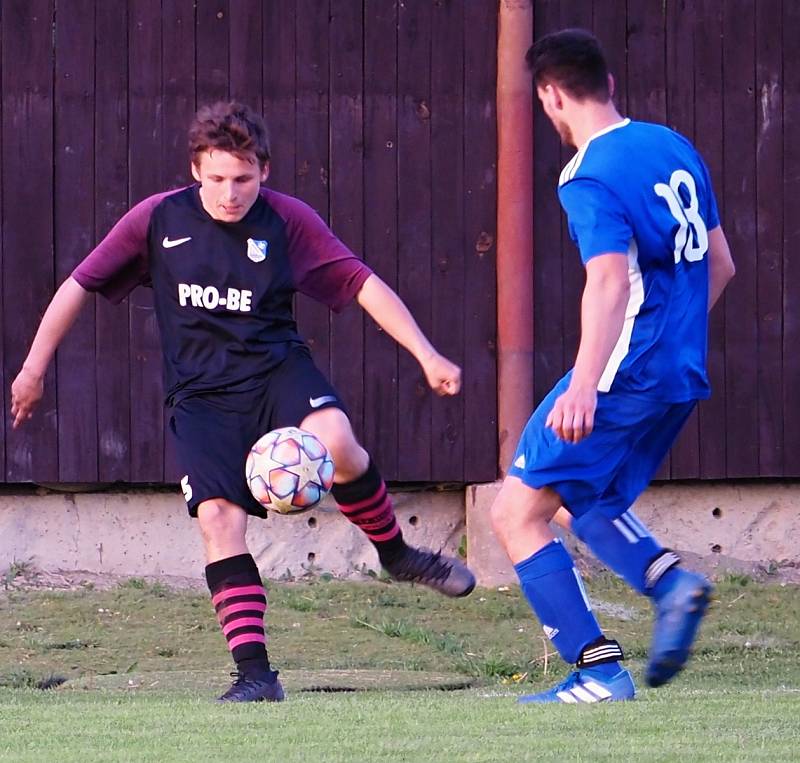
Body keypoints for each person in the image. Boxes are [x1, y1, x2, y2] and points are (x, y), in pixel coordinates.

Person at [10, 101, 476, 703]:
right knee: (218, 520)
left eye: (244, 180)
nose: (231, 194)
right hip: (201, 395)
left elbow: (362, 284)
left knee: (337, 442)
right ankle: (257, 676)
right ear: (196, 170)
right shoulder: (157, 220)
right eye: (218, 179)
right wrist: (32, 368)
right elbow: (78, 284)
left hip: (276, 369)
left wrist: (426, 354)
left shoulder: (288, 221)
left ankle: (397, 554)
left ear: (265, 172)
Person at [490, 29, 735, 703]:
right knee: (581, 500)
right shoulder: (672, 146)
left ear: (550, 96)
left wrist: (586, 383)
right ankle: (671, 583)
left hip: (622, 370)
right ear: (610, 85)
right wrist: (671, 340)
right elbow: (722, 265)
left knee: (515, 511)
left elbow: (607, 282)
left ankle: (598, 670)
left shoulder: (589, 172)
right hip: (678, 370)